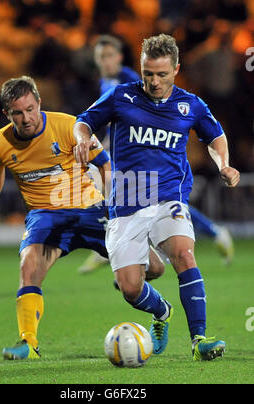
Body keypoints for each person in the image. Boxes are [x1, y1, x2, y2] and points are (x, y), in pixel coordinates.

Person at [73, 34, 240, 361]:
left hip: (169, 197)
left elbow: (215, 135)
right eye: (148, 73)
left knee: (183, 254)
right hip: (126, 204)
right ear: (141, 68)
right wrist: (83, 141)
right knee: (130, 287)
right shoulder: (121, 96)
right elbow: (83, 122)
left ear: (176, 69)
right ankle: (162, 312)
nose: (154, 81)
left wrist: (224, 164)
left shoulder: (190, 104)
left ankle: (199, 340)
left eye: (162, 74)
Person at [0, 75, 112, 360]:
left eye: (30, 109)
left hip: (90, 209)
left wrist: (113, 207)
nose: (26, 118)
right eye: (17, 113)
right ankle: (29, 343)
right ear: (7, 114)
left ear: (39, 104)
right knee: (29, 265)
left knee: (148, 270)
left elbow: (105, 164)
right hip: (45, 216)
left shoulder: (69, 126)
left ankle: (161, 313)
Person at [78, 33, 234, 275]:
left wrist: (223, 164)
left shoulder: (130, 81)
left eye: (109, 56)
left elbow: (146, 120)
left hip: (153, 159)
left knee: (151, 198)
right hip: (128, 157)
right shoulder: (109, 84)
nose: (105, 61)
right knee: (116, 191)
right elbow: (114, 122)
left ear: (120, 57)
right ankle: (116, 242)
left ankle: (113, 243)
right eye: (101, 57)